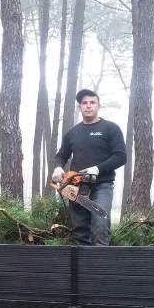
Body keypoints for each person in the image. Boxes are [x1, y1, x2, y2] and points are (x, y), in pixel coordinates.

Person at [52, 89, 127, 246]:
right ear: (79, 107)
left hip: (102, 186)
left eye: (92, 102)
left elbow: (121, 156)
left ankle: (100, 261)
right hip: (77, 187)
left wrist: (97, 169)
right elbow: (61, 156)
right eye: (84, 103)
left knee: (100, 224)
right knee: (80, 230)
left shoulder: (110, 128)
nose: (88, 106)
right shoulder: (73, 133)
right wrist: (58, 167)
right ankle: (84, 262)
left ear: (99, 105)